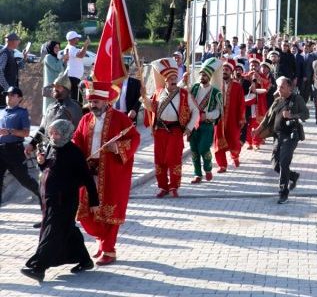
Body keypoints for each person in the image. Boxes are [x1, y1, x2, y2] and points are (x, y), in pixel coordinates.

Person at [20, 120, 99, 282]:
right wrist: (41, 163)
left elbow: (88, 179)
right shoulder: (51, 147)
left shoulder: (74, 153)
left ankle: (38, 267)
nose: (53, 137)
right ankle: (85, 260)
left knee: (52, 232)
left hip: (65, 201)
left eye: (57, 133)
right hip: (49, 199)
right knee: (68, 230)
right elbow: (49, 169)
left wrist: (94, 202)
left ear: (66, 134)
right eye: (52, 133)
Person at [72, 81, 140, 266]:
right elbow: (76, 139)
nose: (92, 105)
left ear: (105, 101)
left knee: (109, 212)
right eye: (91, 101)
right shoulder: (86, 119)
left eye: (96, 102)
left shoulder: (120, 118)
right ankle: (102, 241)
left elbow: (135, 138)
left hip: (112, 173)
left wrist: (117, 147)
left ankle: (109, 249)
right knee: (88, 212)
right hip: (89, 172)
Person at [142, 58, 199, 197]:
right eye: (170, 78)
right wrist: (144, 97)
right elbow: (152, 107)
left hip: (175, 131)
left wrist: (189, 127)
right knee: (160, 160)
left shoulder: (184, 94)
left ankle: (174, 186)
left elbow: (196, 111)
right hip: (160, 131)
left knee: (173, 159)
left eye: (175, 77)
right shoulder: (159, 92)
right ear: (165, 80)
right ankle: (163, 187)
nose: (174, 80)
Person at [253, 77, 309, 204]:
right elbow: (267, 117)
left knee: (284, 163)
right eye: (278, 87)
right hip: (277, 136)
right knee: (275, 164)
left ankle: (283, 193)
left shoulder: (297, 99)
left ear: (290, 87)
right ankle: (293, 176)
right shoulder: (277, 100)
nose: (279, 90)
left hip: (290, 136)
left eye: (282, 87)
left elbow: (306, 114)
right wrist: (257, 130)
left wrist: (292, 116)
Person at [0, 87, 42, 223]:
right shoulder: (1, 111)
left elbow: (25, 132)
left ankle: (44, 202)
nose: (9, 97)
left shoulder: (22, 112)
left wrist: (10, 131)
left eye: (12, 95)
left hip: (15, 151)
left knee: (26, 180)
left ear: (19, 98)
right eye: (7, 95)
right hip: (1, 150)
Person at [26, 73, 83, 155]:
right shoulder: (50, 107)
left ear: (66, 90)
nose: (54, 89)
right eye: (54, 87)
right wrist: (32, 144)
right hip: (48, 151)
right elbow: (42, 129)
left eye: (58, 87)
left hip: (66, 153)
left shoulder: (74, 108)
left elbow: (78, 133)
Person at [188, 58, 222, 184]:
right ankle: (197, 174)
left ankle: (207, 168)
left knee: (203, 148)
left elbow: (218, 112)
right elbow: (182, 93)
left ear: (210, 76)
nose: (202, 77)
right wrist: (184, 79)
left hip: (207, 125)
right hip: (193, 124)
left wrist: (206, 115)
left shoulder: (216, 92)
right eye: (201, 74)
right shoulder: (194, 88)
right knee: (194, 151)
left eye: (205, 75)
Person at [214, 58, 246, 173]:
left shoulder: (237, 86)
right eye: (223, 69)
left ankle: (235, 157)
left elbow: (241, 103)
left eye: (227, 69)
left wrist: (241, 118)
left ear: (231, 72)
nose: (224, 71)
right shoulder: (216, 85)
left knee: (234, 140)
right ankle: (222, 165)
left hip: (233, 118)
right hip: (219, 119)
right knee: (218, 141)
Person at [63, 31, 90, 103]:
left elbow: (81, 54)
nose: (78, 39)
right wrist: (85, 46)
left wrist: (84, 47)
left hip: (74, 77)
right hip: (73, 77)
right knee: (75, 99)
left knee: (76, 98)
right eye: (77, 38)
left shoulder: (71, 48)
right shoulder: (71, 48)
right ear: (73, 39)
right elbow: (81, 55)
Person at [0, 33, 26, 108]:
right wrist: (7, 88)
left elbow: (18, 67)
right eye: (17, 40)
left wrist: (24, 58)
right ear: (11, 41)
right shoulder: (4, 53)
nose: (19, 42)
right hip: (3, 92)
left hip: (9, 91)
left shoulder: (11, 52)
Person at [41, 40, 66, 113]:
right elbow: (57, 67)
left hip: (57, 86)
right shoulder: (48, 57)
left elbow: (62, 70)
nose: (57, 49)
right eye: (55, 47)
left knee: (56, 108)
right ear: (51, 47)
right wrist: (62, 59)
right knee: (49, 108)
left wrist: (65, 61)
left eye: (58, 48)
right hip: (50, 87)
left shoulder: (56, 58)